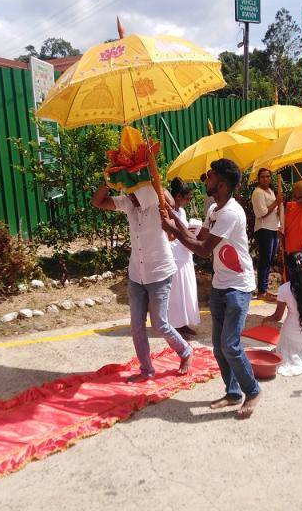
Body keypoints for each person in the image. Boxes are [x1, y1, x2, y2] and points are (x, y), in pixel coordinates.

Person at [162, 158, 261, 419]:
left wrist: (172, 227)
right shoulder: (215, 209)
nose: (206, 179)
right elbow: (198, 238)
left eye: (211, 176)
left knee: (230, 344)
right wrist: (173, 218)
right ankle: (233, 393)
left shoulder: (231, 212)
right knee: (218, 347)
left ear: (223, 183)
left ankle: (252, 391)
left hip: (238, 287)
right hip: (220, 283)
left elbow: (203, 251)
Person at [91, 182, 193, 382]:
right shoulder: (128, 203)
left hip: (159, 273)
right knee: (136, 326)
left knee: (159, 324)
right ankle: (146, 370)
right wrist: (107, 182)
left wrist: (151, 179)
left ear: (145, 191)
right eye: (129, 193)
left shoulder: (157, 203)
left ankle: (185, 351)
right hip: (137, 274)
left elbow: (170, 200)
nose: (131, 197)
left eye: (135, 193)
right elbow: (98, 202)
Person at [166, 178, 201, 336]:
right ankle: (175, 323)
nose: (188, 202)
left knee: (187, 289)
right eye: (187, 198)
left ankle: (185, 321)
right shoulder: (167, 210)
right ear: (178, 196)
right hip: (174, 255)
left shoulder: (182, 211)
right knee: (177, 291)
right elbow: (169, 235)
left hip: (185, 253)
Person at [251, 168, 282, 298]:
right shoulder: (258, 192)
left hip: (273, 228)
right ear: (259, 179)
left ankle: (264, 289)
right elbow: (262, 213)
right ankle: (262, 291)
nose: (266, 179)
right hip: (264, 229)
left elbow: (275, 211)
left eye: (268, 176)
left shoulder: (270, 191)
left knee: (269, 259)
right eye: (263, 177)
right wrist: (276, 202)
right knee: (265, 259)